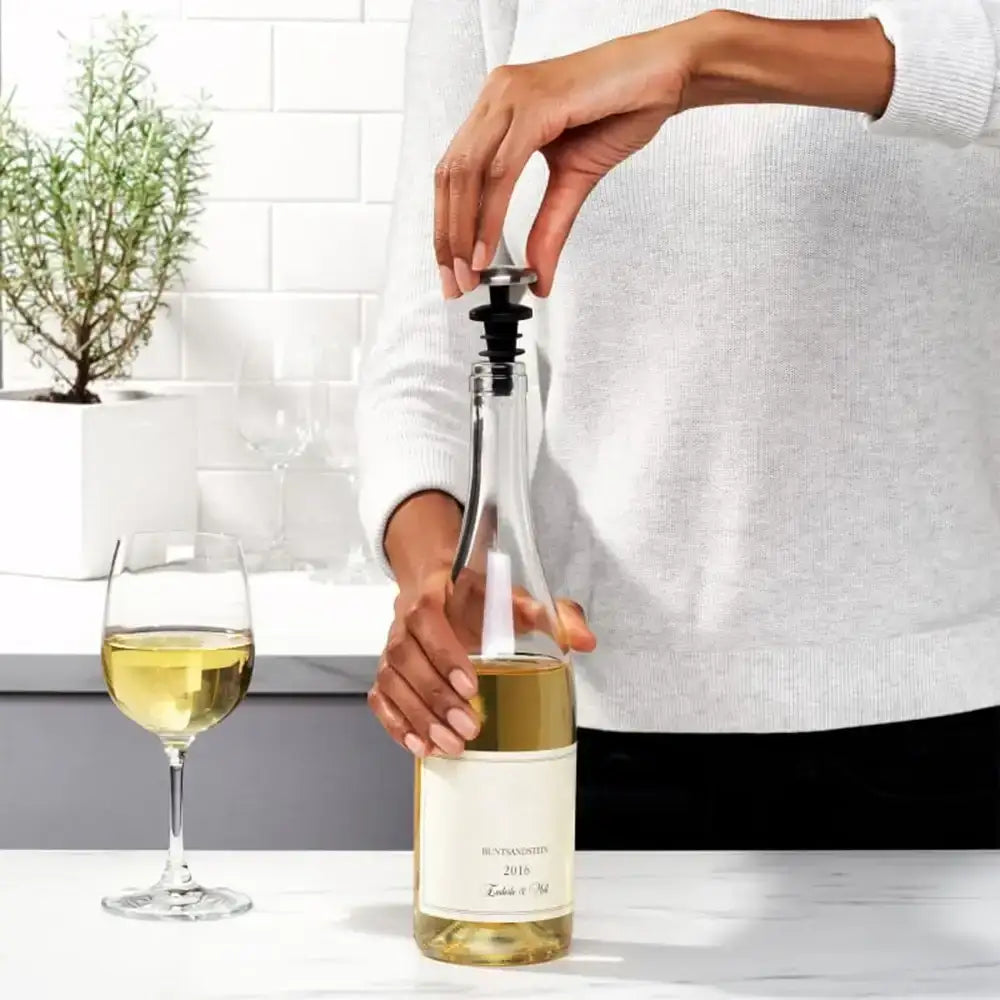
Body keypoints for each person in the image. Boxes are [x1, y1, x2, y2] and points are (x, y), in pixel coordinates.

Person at [356, 0, 1000, 850]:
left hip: (949, 709)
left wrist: (704, 54)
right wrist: (436, 572)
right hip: (591, 708)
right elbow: (427, 355)